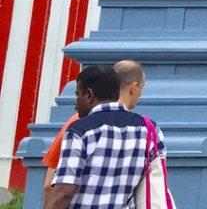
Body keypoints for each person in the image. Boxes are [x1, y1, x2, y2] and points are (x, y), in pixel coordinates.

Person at [46, 62, 165, 209]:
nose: (75, 103)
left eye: (78, 95)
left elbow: (64, 192)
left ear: (89, 95)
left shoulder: (79, 131)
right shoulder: (149, 130)